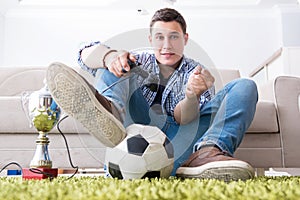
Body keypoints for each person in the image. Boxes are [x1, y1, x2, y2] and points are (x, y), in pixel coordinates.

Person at [47, 8, 258, 181]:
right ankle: (109, 113)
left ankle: (206, 154)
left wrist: (192, 95)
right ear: (151, 39)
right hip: (133, 140)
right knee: (115, 64)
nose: (167, 45)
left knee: (245, 86)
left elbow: (183, 119)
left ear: (185, 39)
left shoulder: (198, 73)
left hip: (180, 147)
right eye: (160, 38)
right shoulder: (138, 60)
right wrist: (110, 57)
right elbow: (83, 52)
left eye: (174, 37)